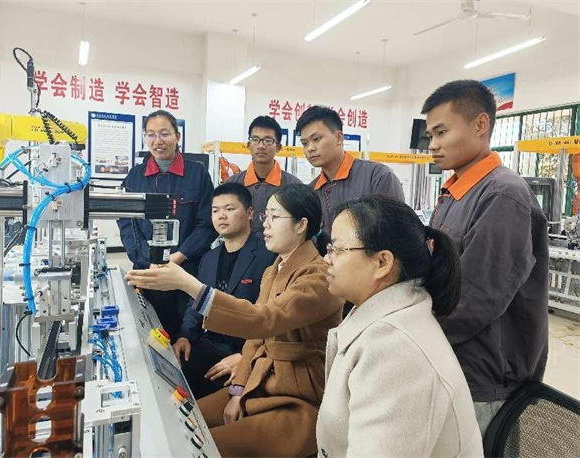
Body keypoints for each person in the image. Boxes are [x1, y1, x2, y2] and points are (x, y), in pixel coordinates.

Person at [126, 184, 343, 457]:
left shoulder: (317, 277)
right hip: (259, 381)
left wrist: (187, 284)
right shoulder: (275, 269)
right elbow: (256, 338)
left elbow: (264, 320)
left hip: (296, 396)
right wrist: (239, 388)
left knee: (200, 445)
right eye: (266, 216)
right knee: (179, 420)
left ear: (301, 225)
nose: (266, 224)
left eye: (275, 217)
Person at [422, 80, 549, 435]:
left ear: (480, 124)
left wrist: (411, 333)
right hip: (453, 362)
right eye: (430, 135)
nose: (433, 145)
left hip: (485, 377)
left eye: (442, 132)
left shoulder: (502, 195)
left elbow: (475, 299)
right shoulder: (456, 192)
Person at [316, 195, 483, 457]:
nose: (327, 259)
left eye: (337, 249)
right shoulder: (386, 318)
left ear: (382, 262)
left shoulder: (396, 352)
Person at [117, 109, 216, 337]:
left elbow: (207, 224)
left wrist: (178, 257)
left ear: (177, 137)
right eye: (151, 134)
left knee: (187, 336)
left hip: (188, 271)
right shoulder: (135, 176)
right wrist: (147, 259)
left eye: (164, 134)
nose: (158, 141)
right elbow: (127, 223)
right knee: (150, 331)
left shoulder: (197, 174)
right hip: (148, 271)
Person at [174, 182, 276, 398]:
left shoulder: (268, 256)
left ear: (250, 213)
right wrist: (185, 336)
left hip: (245, 348)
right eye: (215, 211)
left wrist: (246, 357)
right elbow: (196, 302)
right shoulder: (209, 259)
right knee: (176, 376)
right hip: (210, 342)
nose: (221, 216)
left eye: (229, 209)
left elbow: (274, 317)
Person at [296, 105, 405, 238]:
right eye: (304, 143)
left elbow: (396, 232)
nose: (310, 148)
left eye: (316, 139)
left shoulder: (377, 176)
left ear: (339, 138)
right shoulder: (312, 191)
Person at [227, 116, 302, 234]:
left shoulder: (294, 186)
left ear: (278, 147)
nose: (261, 146)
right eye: (255, 139)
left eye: (267, 140)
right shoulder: (232, 184)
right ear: (248, 145)